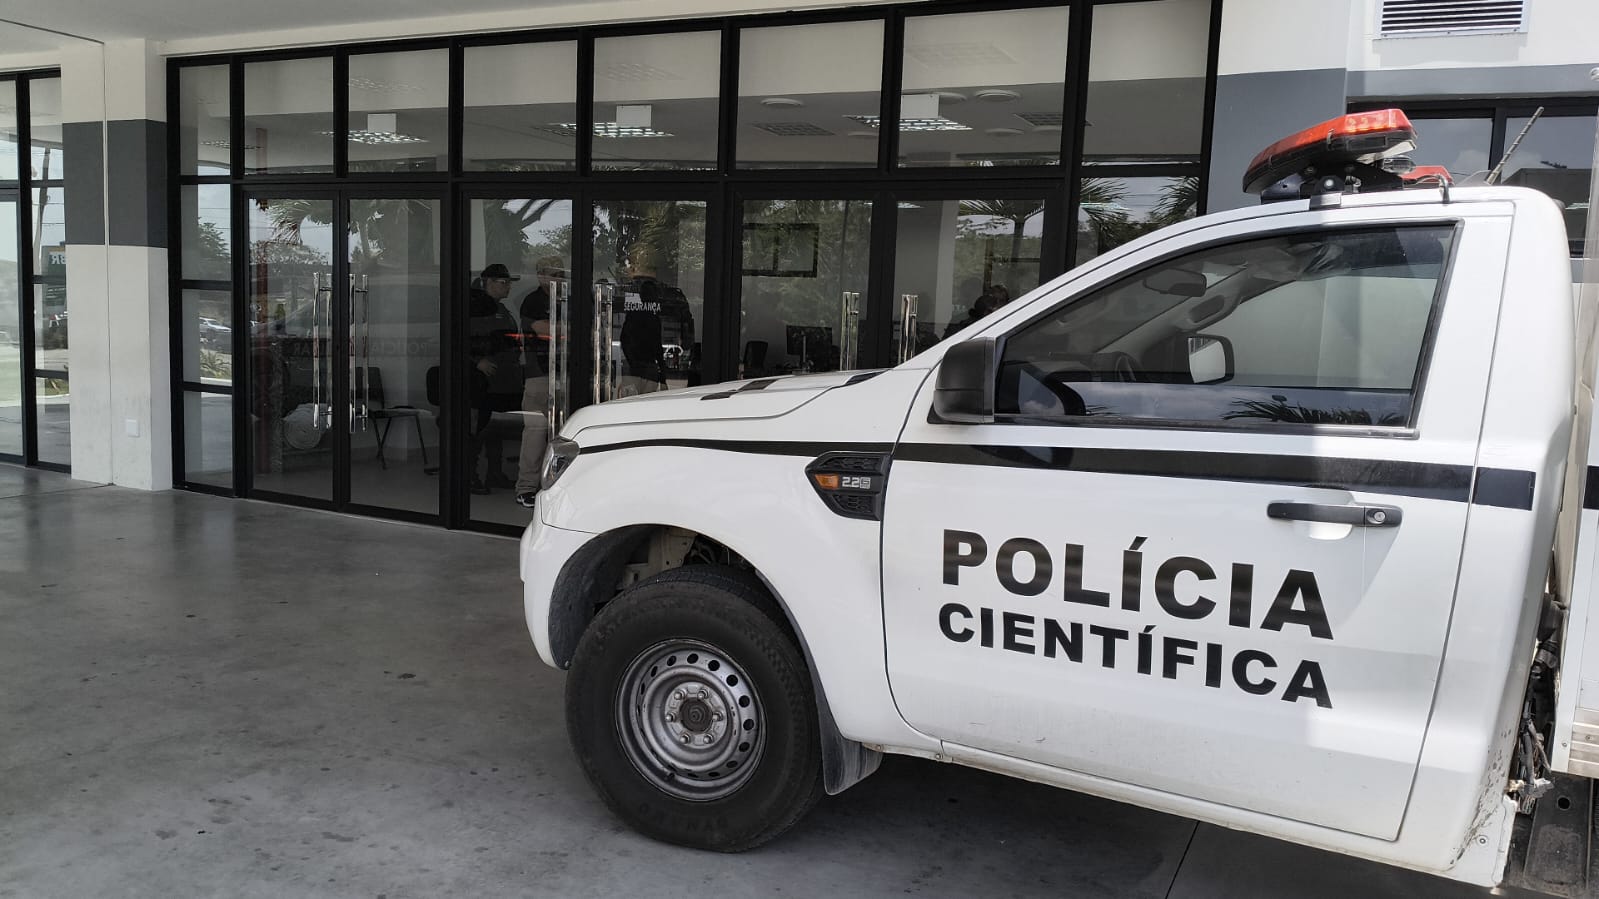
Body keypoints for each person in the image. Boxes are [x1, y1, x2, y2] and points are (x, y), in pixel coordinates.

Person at [467, 263, 522, 494]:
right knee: (477, 428)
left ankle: (495, 473)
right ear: (488, 283)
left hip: (502, 380)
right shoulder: (474, 308)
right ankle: (469, 476)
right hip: (480, 381)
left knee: (495, 427)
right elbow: (459, 338)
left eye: (509, 282)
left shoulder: (501, 309)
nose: (508, 287)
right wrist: (476, 361)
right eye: (503, 282)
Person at [514, 258, 563, 509]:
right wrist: (566, 329)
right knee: (535, 434)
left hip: (566, 373)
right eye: (553, 273)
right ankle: (526, 488)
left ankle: (557, 486)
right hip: (539, 375)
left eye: (561, 274)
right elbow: (545, 331)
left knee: (563, 434)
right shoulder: (532, 301)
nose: (558, 279)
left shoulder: (567, 300)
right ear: (540, 275)